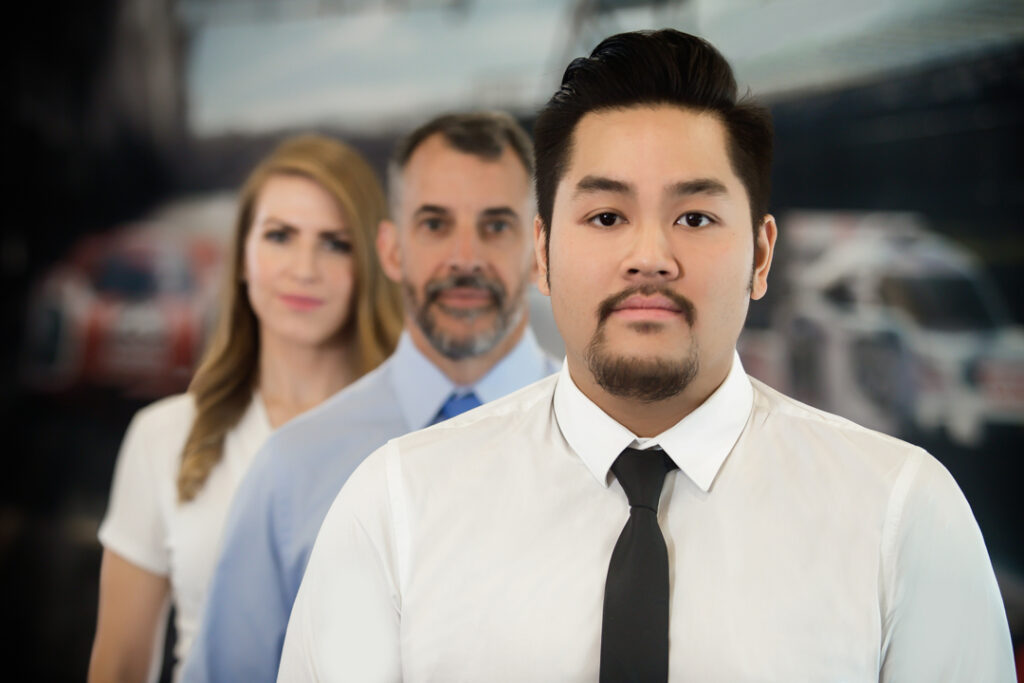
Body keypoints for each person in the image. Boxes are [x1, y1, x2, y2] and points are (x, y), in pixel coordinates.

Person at [278, 30, 1015, 682]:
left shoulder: (903, 514)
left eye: (694, 216)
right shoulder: (396, 505)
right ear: (542, 253)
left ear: (761, 256)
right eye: (605, 216)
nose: (650, 256)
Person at [182, 112, 559, 683]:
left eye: (495, 225)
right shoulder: (291, 469)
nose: (464, 257)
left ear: (539, 248)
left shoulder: (611, 444)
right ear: (390, 249)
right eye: (434, 224)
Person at [87, 134, 402, 682]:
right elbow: (117, 665)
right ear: (242, 258)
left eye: (335, 243)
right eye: (280, 236)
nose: (304, 267)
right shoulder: (162, 436)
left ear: (370, 264)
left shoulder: (418, 436)